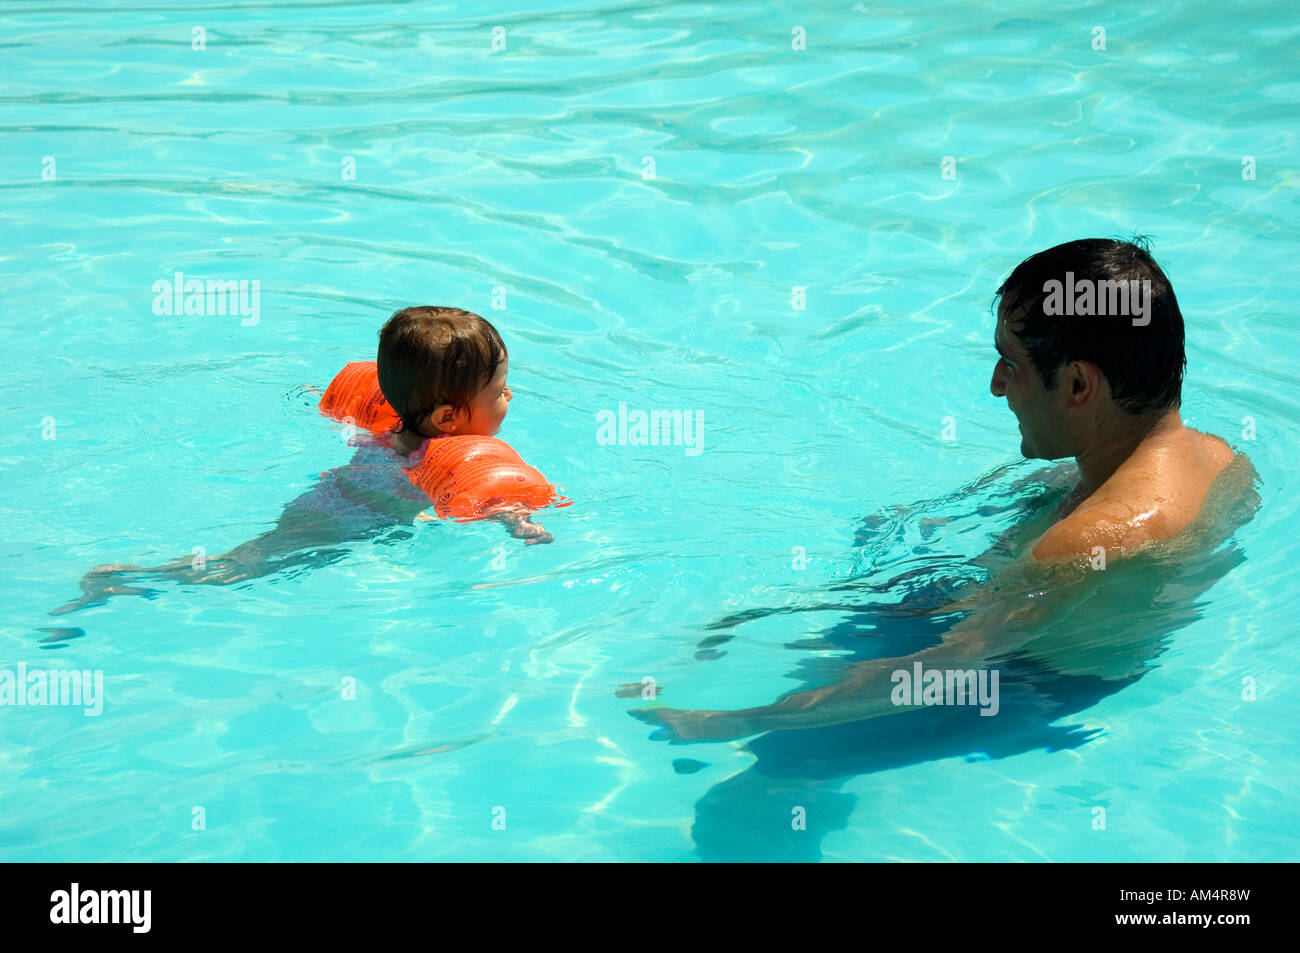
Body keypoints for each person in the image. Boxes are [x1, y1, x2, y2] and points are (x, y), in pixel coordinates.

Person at [632, 237, 1255, 742]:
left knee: (777, 767)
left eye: (1009, 363)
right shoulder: (1219, 459)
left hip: (1027, 684)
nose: (995, 385)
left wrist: (743, 722)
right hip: (1061, 644)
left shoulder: (1094, 535)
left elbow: (955, 667)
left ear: (1077, 386)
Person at [51, 307, 553, 616]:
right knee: (248, 568)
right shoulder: (444, 458)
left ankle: (136, 578)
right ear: (447, 417)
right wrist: (519, 522)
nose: (510, 394)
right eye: (499, 389)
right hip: (349, 522)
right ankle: (131, 578)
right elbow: (490, 502)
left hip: (328, 496)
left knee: (256, 555)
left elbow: (354, 429)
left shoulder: (394, 426)